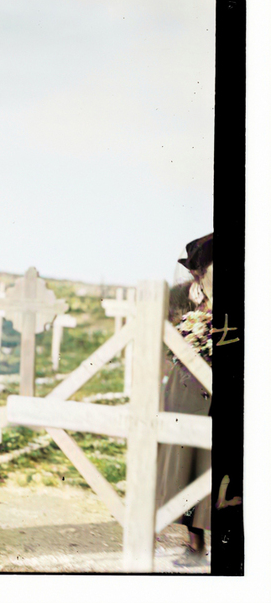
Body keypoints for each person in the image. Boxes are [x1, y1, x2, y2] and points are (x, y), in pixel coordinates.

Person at [155, 232, 213, 566]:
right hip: (185, 390)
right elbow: (161, 334)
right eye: (196, 267)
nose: (199, 273)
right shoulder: (181, 297)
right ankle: (195, 544)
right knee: (186, 465)